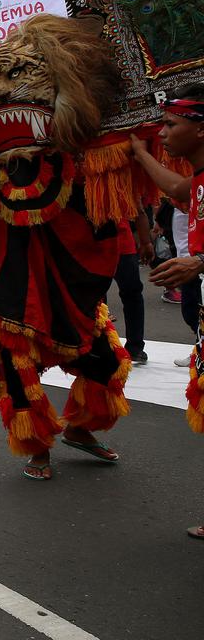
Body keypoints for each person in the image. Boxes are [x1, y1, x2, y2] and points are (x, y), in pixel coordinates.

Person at [132, 88, 204, 527]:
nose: (163, 133)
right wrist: (140, 153)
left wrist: (198, 262)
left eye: (171, 125)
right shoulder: (198, 181)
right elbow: (177, 188)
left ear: (199, 128)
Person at [107, 214, 153, 365]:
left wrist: (146, 242)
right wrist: (146, 242)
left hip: (119, 245)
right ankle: (133, 347)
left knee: (131, 294)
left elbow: (139, 211)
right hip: (100, 245)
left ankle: (134, 347)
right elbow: (139, 211)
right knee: (130, 295)